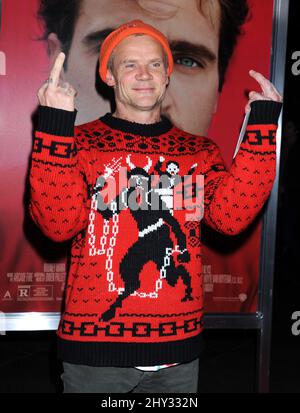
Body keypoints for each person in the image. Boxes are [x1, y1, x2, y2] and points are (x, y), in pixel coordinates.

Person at [29, 20, 282, 393]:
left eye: (155, 64)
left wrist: (262, 127)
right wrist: (54, 125)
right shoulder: (81, 143)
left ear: (167, 76)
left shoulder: (199, 152)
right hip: (96, 356)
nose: (144, 74)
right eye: (130, 64)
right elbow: (57, 224)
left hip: (178, 355)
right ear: (110, 76)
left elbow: (230, 219)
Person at [37, 0, 249, 135]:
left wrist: (264, 122)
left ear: (217, 90)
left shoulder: (206, 160)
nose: (147, 87)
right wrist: (55, 127)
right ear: (58, 62)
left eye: (187, 60)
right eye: (122, 58)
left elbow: (237, 205)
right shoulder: (71, 161)